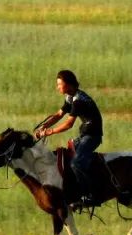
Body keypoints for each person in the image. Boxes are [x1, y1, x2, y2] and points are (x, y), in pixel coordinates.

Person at [35, 69, 103, 208]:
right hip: (85, 134)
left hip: (92, 136)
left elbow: (68, 124)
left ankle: (91, 196)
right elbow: (59, 115)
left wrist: (49, 132)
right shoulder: (70, 97)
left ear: (69, 84)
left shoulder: (79, 100)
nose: (57, 87)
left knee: (76, 163)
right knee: (67, 157)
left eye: (60, 84)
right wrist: (44, 125)